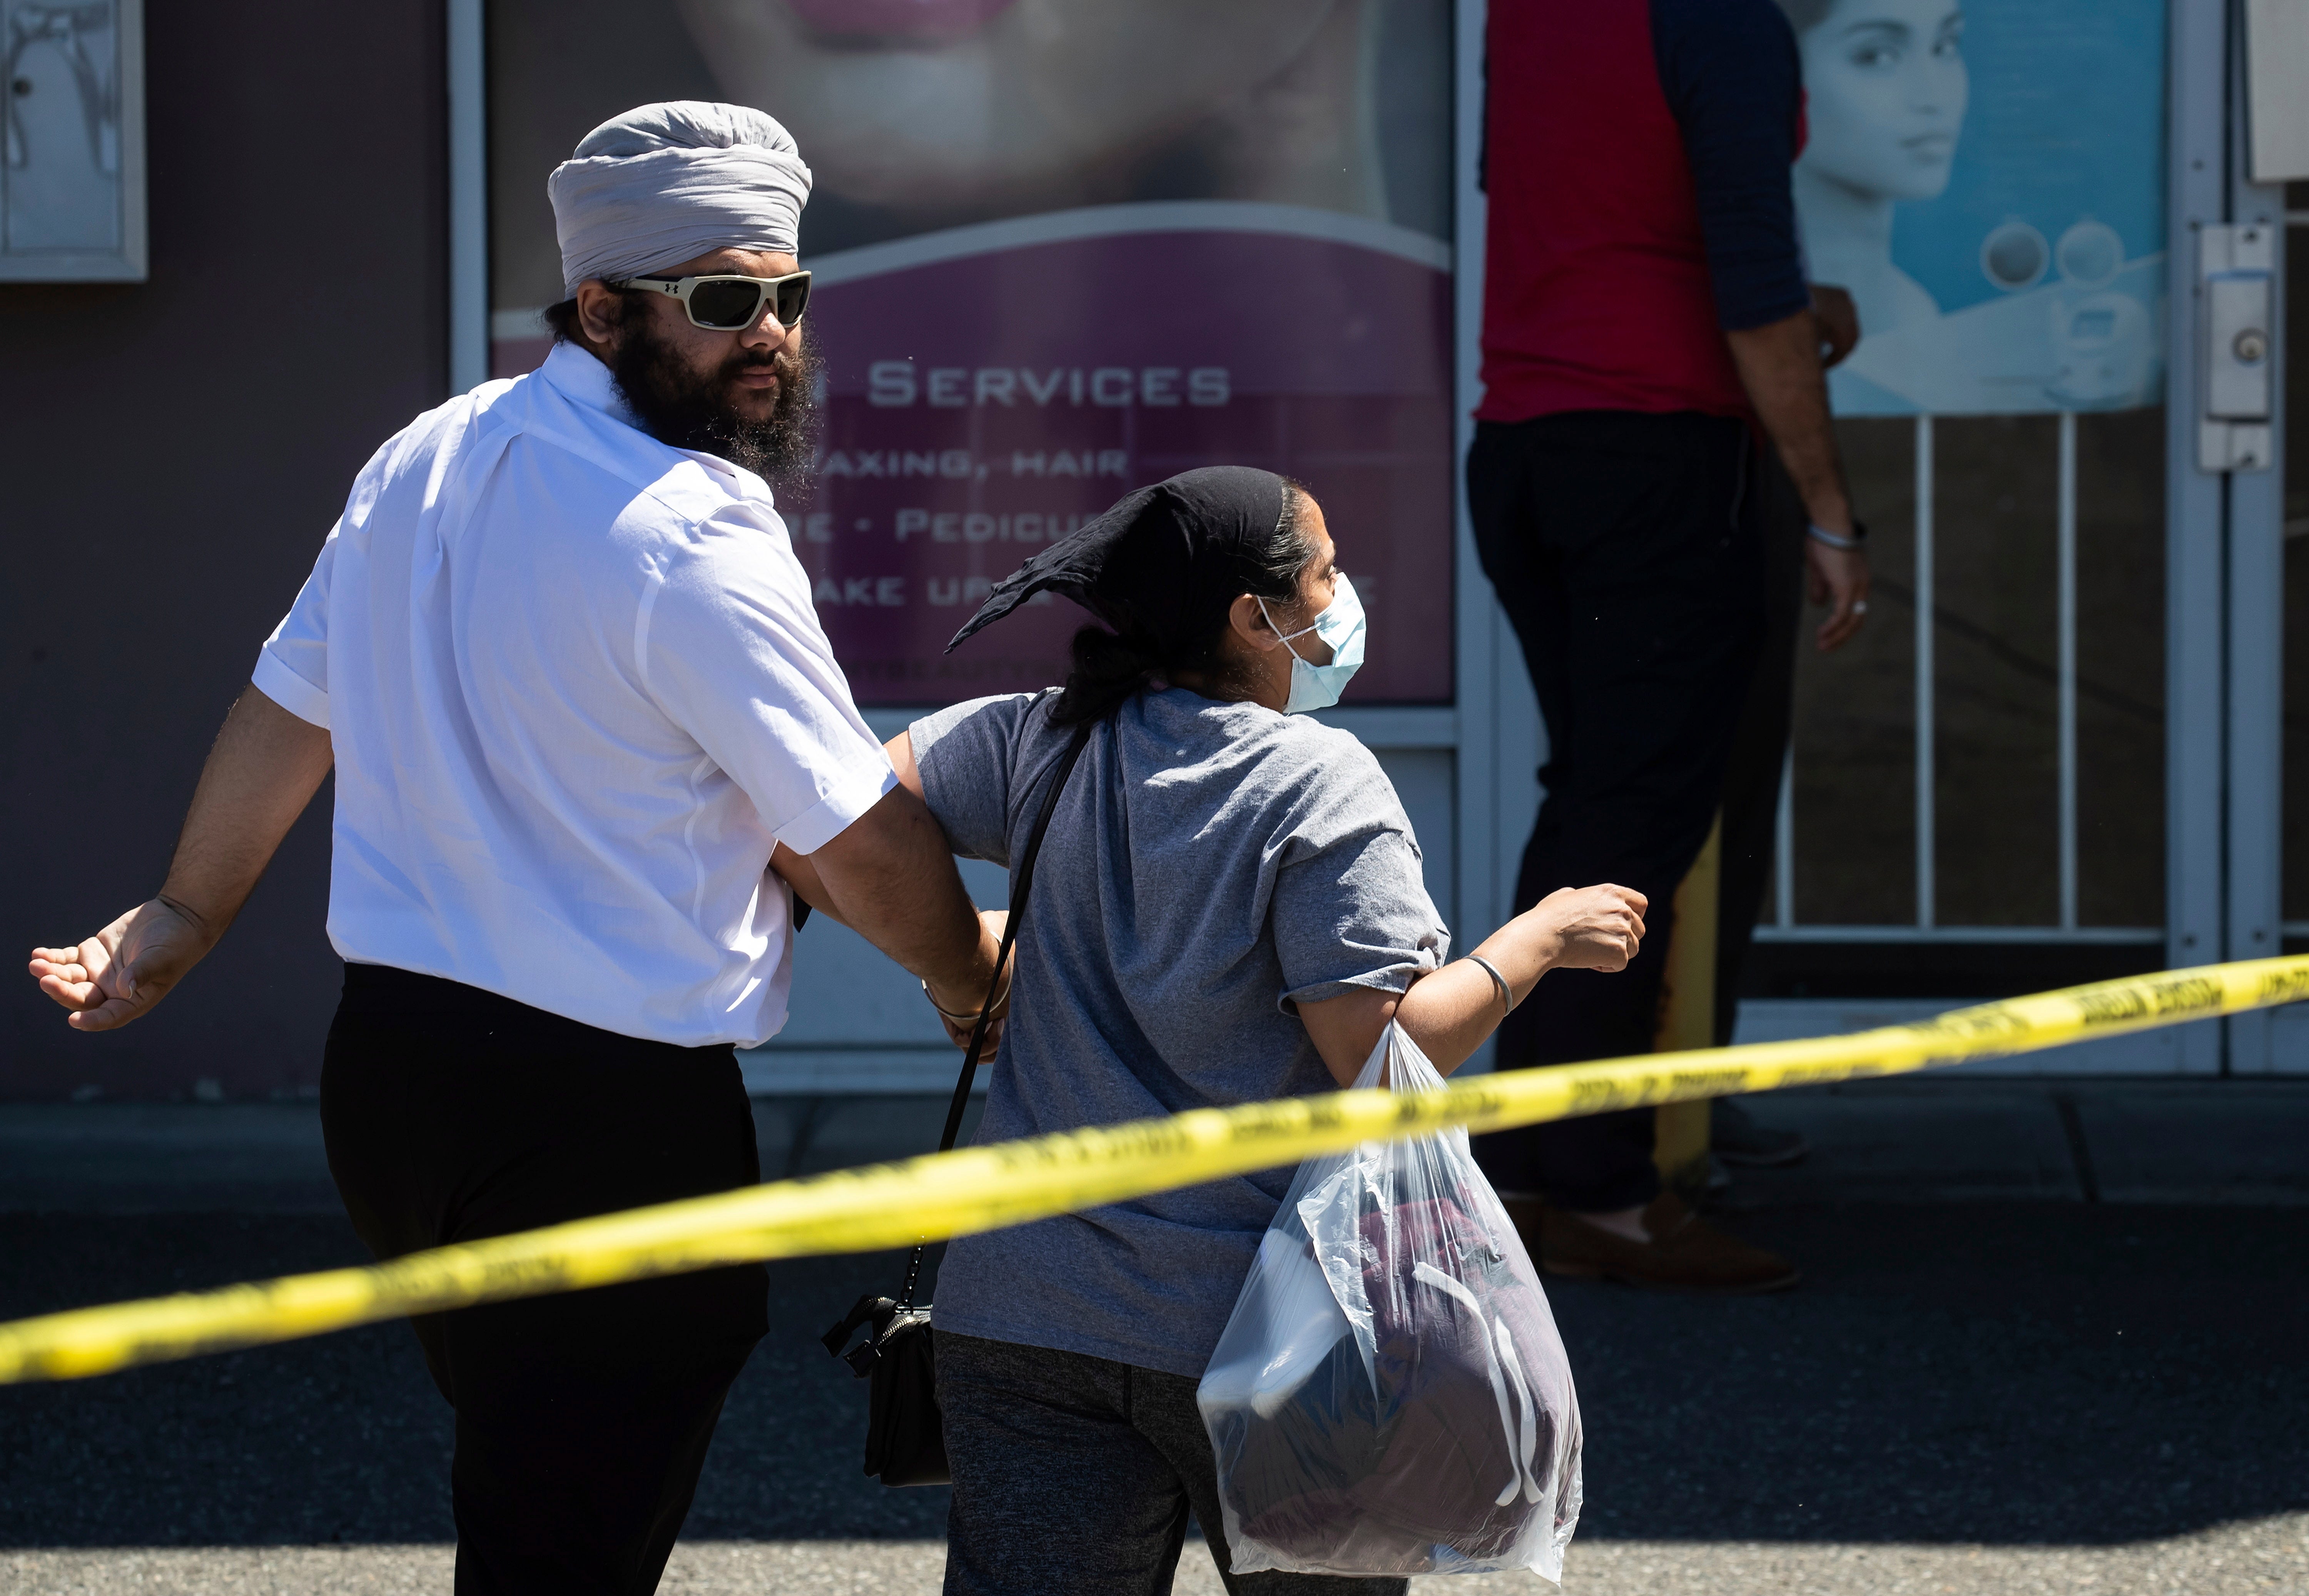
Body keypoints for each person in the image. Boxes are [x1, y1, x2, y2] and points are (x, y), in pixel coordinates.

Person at [27, 102, 1004, 1594]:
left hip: (400, 1095)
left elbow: (289, 706)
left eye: (790, 298)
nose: (773, 337)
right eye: (726, 300)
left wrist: (188, 906)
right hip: (600, 1121)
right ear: (603, 309)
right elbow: (851, 833)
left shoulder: (432, 448)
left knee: (535, 1503)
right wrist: (964, 972)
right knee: (561, 1551)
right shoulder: (691, 527)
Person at [776, 466, 1645, 1596]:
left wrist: (961, 967)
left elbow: (827, 812)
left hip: (1026, 1315)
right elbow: (1381, 1058)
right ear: (1252, 615)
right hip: (1272, 1330)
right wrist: (1533, 938)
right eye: (1325, 572)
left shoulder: (1042, 737)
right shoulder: (1319, 783)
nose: (1342, 597)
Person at [1470, 0, 1873, 1291]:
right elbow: (1749, 285)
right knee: (1635, 821)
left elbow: (1598, 224)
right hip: (1660, 459)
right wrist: (1828, 505)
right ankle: (1601, 1191)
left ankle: (1531, 1166)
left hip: (1528, 448)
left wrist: (1797, 304)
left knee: (1591, 801)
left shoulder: (1533, 14)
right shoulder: (1722, 22)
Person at [1782, 0, 1969, 338]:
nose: (1934, 96)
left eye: (1945, 47)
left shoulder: (1913, 310)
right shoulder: (1741, 318)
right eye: (1876, 57)